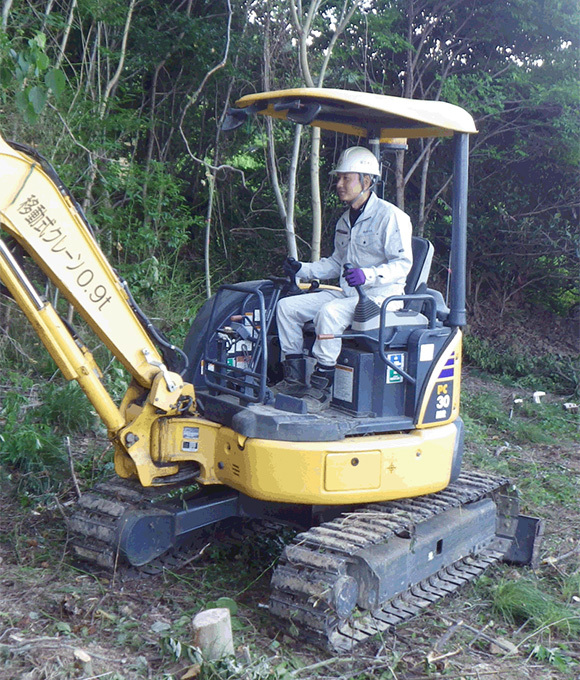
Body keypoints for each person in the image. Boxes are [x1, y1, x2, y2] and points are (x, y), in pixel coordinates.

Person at [273, 145, 413, 413]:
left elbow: (403, 264)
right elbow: (336, 263)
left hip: (381, 298)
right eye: (338, 178)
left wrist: (368, 275)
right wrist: (301, 269)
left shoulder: (391, 217)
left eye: (346, 178)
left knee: (330, 312)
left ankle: (321, 386)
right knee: (287, 308)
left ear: (367, 180)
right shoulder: (345, 220)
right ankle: (294, 379)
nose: (339, 184)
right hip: (350, 295)